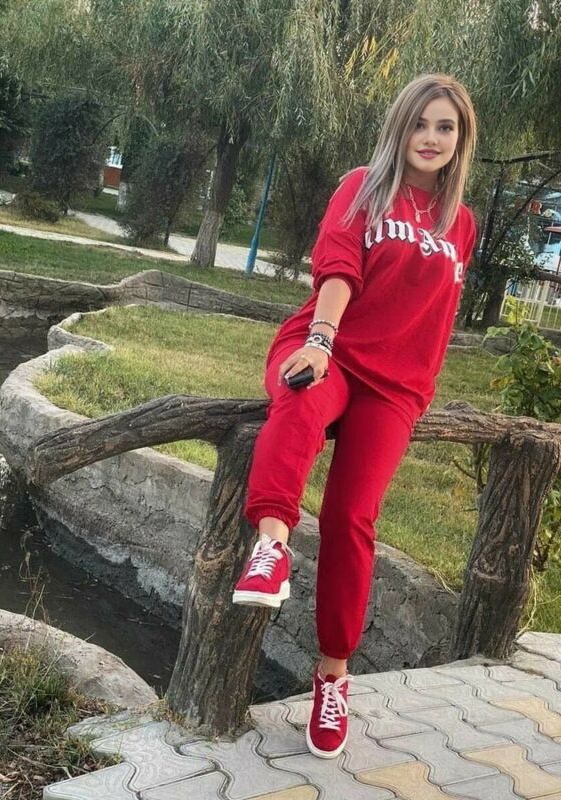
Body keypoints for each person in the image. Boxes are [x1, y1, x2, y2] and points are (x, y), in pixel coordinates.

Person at [232, 73, 478, 759]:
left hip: (395, 386)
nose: (430, 137)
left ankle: (333, 676)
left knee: (352, 516)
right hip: (331, 346)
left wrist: (418, 387)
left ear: (460, 140)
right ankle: (270, 548)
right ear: (400, 127)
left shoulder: (461, 222)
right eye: (420, 123)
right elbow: (339, 265)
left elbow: (438, 313)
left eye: (445, 127)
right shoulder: (363, 186)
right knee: (301, 399)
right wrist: (320, 339)